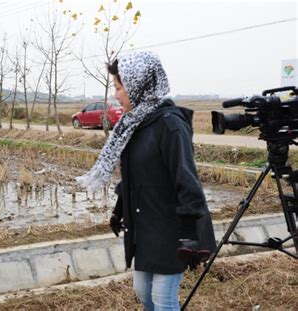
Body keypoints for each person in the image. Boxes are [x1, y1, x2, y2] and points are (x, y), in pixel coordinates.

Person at [77, 51, 216, 310]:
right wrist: (119, 211)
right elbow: (133, 176)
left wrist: (188, 235)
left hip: (172, 228)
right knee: (143, 293)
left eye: (120, 87)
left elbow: (188, 182)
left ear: (138, 86)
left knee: (164, 299)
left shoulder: (170, 125)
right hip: (145, 225)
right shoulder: (134, 124)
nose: (116, 95)